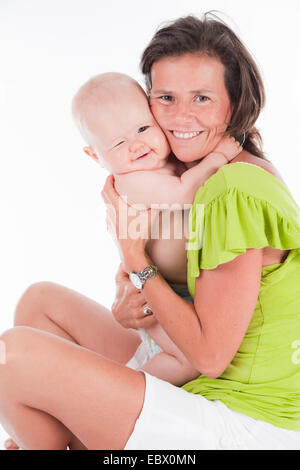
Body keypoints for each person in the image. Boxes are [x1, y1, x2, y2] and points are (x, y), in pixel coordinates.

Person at [2, 13, 300, 451]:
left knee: (12, 357)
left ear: (234, 103)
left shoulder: (232, 189)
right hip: (196, 383)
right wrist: (133, 298)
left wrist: (136, 261)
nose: (181, 116)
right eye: (165, 97)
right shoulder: (200, 168)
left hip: (243, 420)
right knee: (39, 302)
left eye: (201, 98)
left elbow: (210, 357)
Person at [71, 71, 242, 382]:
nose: (136, 146)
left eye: (143, 128)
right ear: (94, 155)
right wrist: (219, 156)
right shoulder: (131, 181)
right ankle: (125, 389)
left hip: (178, 291)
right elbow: (183, 192)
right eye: (119, 142)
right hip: (153, 297)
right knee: (186, 362)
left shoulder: (165, 161)